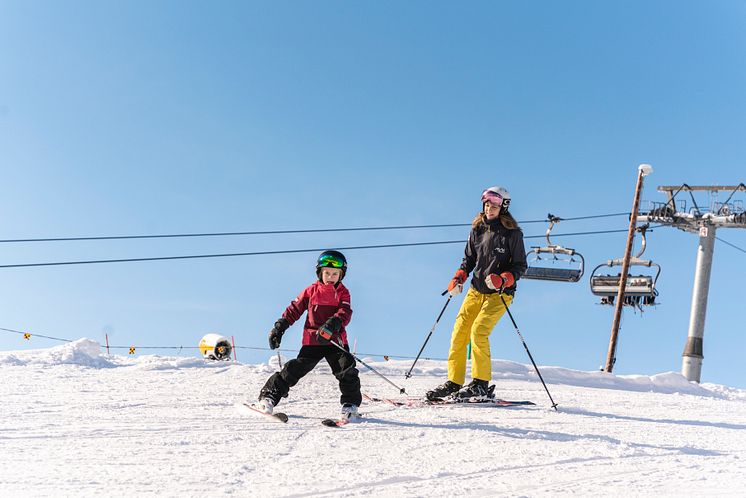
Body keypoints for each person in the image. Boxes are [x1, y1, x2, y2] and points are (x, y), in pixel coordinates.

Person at [426, 186, 527, 401]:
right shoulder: (477, 229)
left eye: (495, 204)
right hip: (475, 290)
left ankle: (481, 383)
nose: (490, 207)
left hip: (500, 293)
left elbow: (520, 266)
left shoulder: (513, 234)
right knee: (460, 331)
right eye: (487, 203)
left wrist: (504, 278)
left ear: (504, 206)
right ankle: (454, 382)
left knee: (479, 331)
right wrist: (459, 276)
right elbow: (469, 260)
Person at [253, 250, 362, 420]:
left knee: (346, 370)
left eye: (335, 273)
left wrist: (332, 324)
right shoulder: (311, 291)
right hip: (313, 341)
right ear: (320, 273)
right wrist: (280, 327)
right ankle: (269, 396)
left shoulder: (343, 292)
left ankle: (350, 405)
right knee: (294, 369)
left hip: (335, 341)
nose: (330, 276)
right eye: (327, 273)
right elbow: (294, 309)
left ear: (341, 275)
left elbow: (345, 312)